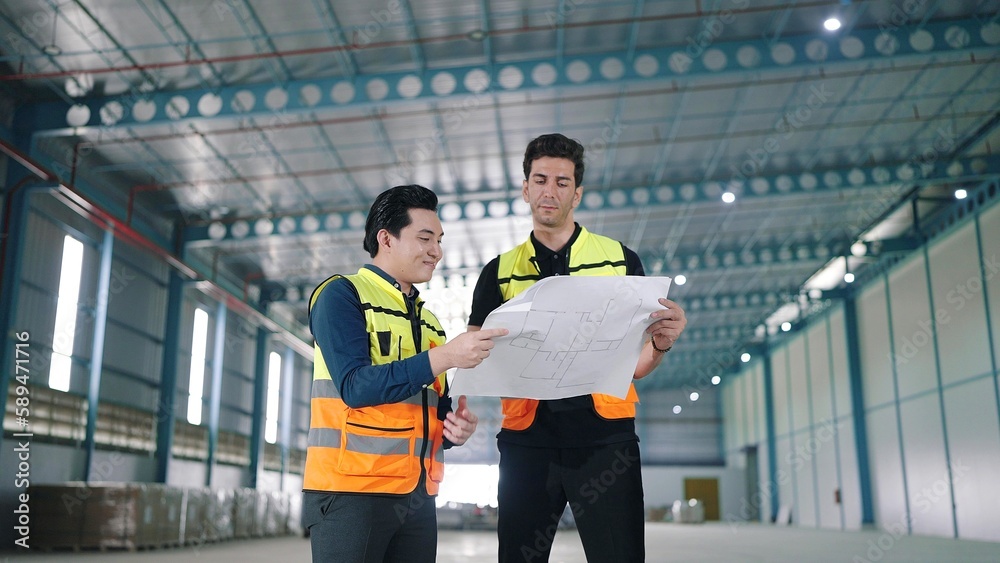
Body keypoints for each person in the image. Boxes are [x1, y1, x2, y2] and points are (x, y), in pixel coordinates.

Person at [468, 134, 687, 562]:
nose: (550, 191)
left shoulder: (621, 262)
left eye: (562, 182)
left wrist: (661, 345)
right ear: (526, 188)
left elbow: (637, 366)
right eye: (541, 179)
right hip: (527, 441)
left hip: (605, 440)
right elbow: (476, 355)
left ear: (577, 193)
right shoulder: (497, 273)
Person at [302, 184, 508, 563]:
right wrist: (444, 357)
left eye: (440, 240)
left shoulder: (430, 323)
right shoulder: (341, 295)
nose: (437, 252)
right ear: (386, 239)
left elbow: (423, 412)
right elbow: (354, 387)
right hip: (352, 492)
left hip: (417, 496)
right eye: (425, 238)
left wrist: (453, 430)